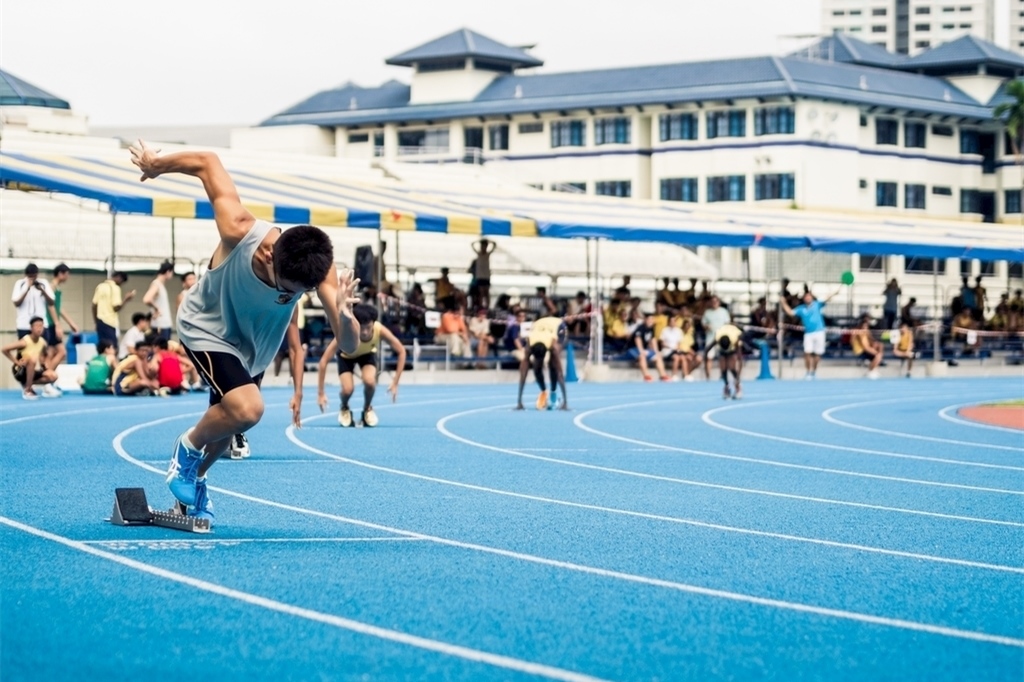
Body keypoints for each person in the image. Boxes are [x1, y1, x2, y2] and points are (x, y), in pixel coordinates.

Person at [129, 140, 360, 524]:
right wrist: (157, 164)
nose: (291, 296)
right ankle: (185, 449)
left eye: (298, 294)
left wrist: (347, 316)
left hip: (252, 347)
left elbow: (349, 346)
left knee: (227, 420)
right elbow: (207, 161)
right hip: (205, 326)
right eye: (286, 288)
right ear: (270, 255)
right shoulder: (239, 229)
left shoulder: (318, 273)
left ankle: (194, 482)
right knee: (248, 409)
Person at [316, 303, 406, 427]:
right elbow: (323, 361)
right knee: (347, 390)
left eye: (368, 327)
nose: (364, 332)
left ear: (373, 324)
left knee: (370, 382)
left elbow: (401, 351)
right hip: (346, 356)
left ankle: (367, 408)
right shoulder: (346, 331)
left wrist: (395, 382)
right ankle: (344, 406)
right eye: (361, 328)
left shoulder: (380, 330)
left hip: (367, 355)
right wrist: (321, 393)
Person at [781, 287, 840, 379]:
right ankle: (808, 372)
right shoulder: (801, 309)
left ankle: (814, 372)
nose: (808, 298)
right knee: (807, 353)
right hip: (808, 333)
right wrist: (783, 303)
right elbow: (790, 313)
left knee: (818, 353)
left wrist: (834, 292)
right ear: (804, 299)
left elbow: (827, 298)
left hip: (820, 332)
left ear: (812, 297)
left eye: (809, 296)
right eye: (806, 297)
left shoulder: (817, 304)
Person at [515, 316, 569, 411]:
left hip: (558, 326)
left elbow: (560, 372)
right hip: (538, 325)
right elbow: (523, 373)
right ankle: (544, 391)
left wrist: (565, 403)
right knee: (537, 367)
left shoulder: (552, 345)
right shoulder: (529, 344)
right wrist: (519, 402)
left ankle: (553, 392)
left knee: (553, 363)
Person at [3, 317, 60, 400]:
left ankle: (27, 384)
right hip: (20, 371)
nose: (39, 328)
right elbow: (4, 349)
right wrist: (16, 362)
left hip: (32, 370)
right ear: (31, 328)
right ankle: (27, 390)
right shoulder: (24, 342)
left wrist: (44, 364)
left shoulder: (42, 342)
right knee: (32, 358)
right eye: (36, 326)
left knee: (53, 376)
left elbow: (45, 354)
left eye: (41, 326)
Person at [43, 263, 79, 372]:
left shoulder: (57, 288)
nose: (68, 277)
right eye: (67, 274)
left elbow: (59, 308)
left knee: (54, 352)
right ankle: (46, 376)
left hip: (52, 323)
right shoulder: (51, 287)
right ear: (60, 274)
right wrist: (57, 324)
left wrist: (71, 323)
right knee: (57, 352)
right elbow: (51, 306)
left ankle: (47, 377)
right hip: (49, 324)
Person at [11, 263, 56, 340]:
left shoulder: (43, 283)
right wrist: (27, 289)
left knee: (43, 349)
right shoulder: (20, 284)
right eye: (30, 277)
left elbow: (51, 302)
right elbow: (16, 303)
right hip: (24, 325)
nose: (32, 279)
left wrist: (42, 290)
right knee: (24, 349)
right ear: (26, 275)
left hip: (41, 326)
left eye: (34, 276)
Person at [92, 271, 135, 345]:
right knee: (112, 348)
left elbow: (94, 306)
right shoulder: (115, 288)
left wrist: (96, 322)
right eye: (122, 282)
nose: (121, 284)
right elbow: (116, 307)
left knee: (103, 348)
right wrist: (126, 299)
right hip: (110, 322)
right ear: (119, 278)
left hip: (100, 322)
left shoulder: (100, 286)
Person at [629, 312, 670, 382]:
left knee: (657, 356)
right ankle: (646, 375)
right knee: (642, 356)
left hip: (643, 349)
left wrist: (656, 351)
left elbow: (653, 340)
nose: (651, 321)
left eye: (652, 319)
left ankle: (663, 375)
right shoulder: (640, 328)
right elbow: (637, 339)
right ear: (645, 320)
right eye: (649, 319)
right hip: (632, 349)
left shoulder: (651, 328)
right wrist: (641, 351)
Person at [700, 295, 731, 379]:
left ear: (719, 302)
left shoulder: (724, 311)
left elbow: (727, 323)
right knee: (709, 357)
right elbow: (703, 324)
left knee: (722, 357)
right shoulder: (707, 312)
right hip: (710, 338)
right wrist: (707, 327)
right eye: (712, 302)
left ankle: (723, 375)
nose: (714, 303)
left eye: (716, 301)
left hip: (721, 338)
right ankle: (708, 376)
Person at [712, 323, 746, 399]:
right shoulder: (717, 337)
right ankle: (727, 385)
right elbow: (707, 350)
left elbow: (740, 359)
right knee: (723, 369)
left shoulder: (736, 338)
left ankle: (738, 387)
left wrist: (738, 377)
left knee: (732, 367)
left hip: (733, 347)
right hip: (723, 345)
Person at [144, 261, 176, 339]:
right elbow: (146, 299)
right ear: (168, 272)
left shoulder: (160, 285)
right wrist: (157, 308)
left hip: (164, 323)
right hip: (160, 324)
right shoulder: (156, 284)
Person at [470, 239, 496, 310]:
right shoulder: (478, 254)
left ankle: (487, 306)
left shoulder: (487, 254)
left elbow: (494, 245)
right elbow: (472, 245)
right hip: (480, 276)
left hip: (486, 276)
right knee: (481, 293)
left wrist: (489, 241)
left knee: (486, 292)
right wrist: (478, 241)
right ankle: (481, 306)